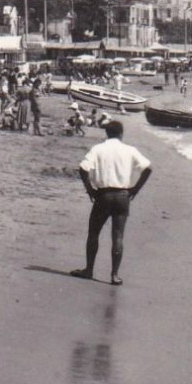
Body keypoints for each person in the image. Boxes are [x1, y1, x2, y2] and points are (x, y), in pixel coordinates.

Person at [71, 120, 152, 286]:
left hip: (104, 195)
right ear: (121, 133)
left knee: (94, 233)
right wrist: (135, 189)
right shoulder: (130, 150)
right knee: (118, 235)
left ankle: (89, 269)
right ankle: (114, 275)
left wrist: (90, 189)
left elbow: (83, 168)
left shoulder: (98, 148)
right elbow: (148, 168)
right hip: (123, 195)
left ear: (106, 133)